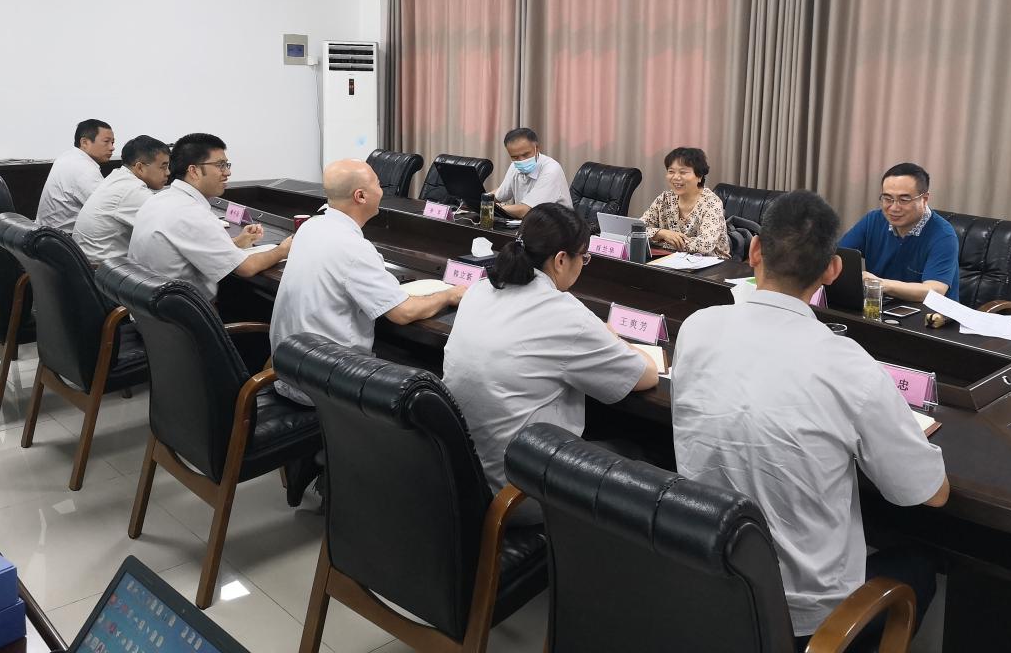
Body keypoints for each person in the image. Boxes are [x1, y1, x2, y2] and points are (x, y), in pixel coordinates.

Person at [672, 191, 948, 649]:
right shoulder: (848, 364)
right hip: (806, 619)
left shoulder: (698, 326)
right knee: (918, 564)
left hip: (706, 578)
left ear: (754, 250)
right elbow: (928, 493)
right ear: (832, 270)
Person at [444, 202, 659, 495]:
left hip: (460, 476)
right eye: (584, 257)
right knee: (644, 450)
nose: (583, 265)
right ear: (560, 260)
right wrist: (614, 336)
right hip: (519, 489)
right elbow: (646, 375)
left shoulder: (480, 289)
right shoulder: (566, 314)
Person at [270, 159, 466, 405]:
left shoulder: (310, 226)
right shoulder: (352, 247)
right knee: (431, 380)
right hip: (325, 387)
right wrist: (449, 295)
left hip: (291, 368)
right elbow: (403, 313)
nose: (382, 191)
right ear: (361, 196)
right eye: (378, 184)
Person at [127, 133, 290, 300]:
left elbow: (193, 244)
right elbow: (246, 268)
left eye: (227, 165)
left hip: (150, 307)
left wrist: (237, 243)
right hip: (184, 313)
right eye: (220, 165)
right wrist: (283, 250)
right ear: (194, 171)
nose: (228, 172)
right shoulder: (191, 213)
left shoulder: (159, 199)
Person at [838, 162, 960, 303]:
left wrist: (879, 284)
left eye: (904, 200)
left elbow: (935, 290)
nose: (894, 208)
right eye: (887, 198)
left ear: (924, 199)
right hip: (882, 307)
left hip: (930, 314)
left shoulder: (943, 235)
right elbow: (838, 257)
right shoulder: (873, 220)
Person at [73, 135, 170, 265]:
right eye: (163, 167)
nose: (168, 172)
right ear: (140, 167)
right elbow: (170, 227)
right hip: (103, 271)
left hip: (89, 264)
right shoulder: (131, 191)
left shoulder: (118, 177)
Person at [639, 146, 730, 258]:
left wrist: (661, 239)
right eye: (671, 171)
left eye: (683, 172)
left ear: (699, 176)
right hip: (670, 259)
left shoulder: (712, 203)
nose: (676, 177)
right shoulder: (665, 198)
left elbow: (704, 245)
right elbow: (636, 229)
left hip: (711, 263)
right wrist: (662, 233)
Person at [36, 119, 114, 231]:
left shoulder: (68, 156)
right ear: (84, 142)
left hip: (48, 232)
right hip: (64, 237)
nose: (112, 147)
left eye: (112, 143)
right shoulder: (84, 168)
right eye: (106, 142)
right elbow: (107, 211)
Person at [493, 127, 571, 219]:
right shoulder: (514, 166)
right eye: (515, 157)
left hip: (558, 224)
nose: (521, 160)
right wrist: (482, 200)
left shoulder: (551, 169)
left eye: (525, 154)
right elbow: (499, 195)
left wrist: (493, 207)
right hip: (530, 223)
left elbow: (527, 211)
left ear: (537, 149)